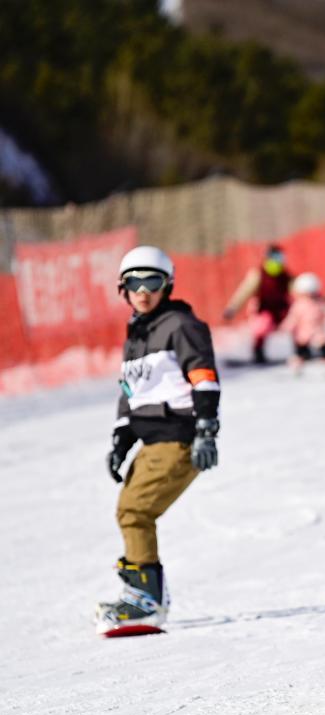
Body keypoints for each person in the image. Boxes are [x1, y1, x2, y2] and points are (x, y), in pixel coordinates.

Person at [96, 245, 221, 634]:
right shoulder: (137, 335)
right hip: (150, 439)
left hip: (177, 437)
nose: (143, 290)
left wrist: (205, 428)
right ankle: (144, 594)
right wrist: (121, 438)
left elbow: (204, 377)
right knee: (130, 511)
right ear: (123, 288)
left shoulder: (180, 326)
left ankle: (146, 600)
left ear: (167, 285)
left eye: (152, 281)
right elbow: (134, 392)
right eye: (134, 282)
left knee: (135, 512)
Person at [222, 244, 293, 364]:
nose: (279, 260)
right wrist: (232, 308)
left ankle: (302, 350)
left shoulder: (285, 275)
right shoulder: (259, 274)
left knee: (300, 319)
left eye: (280, 257)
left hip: (281, 310)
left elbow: (297, 290)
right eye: (276, 257)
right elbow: (244, 291)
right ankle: (258, 351)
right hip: (264, 309)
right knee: (262, 327)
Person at [279, 272, 325, 371]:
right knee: (302, 351)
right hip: (303, 334)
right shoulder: (299, 305)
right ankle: (296, 365)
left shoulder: (319, 303)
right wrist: (285, 327)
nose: (311, 295)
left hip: (318, 332)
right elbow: (293, 318)